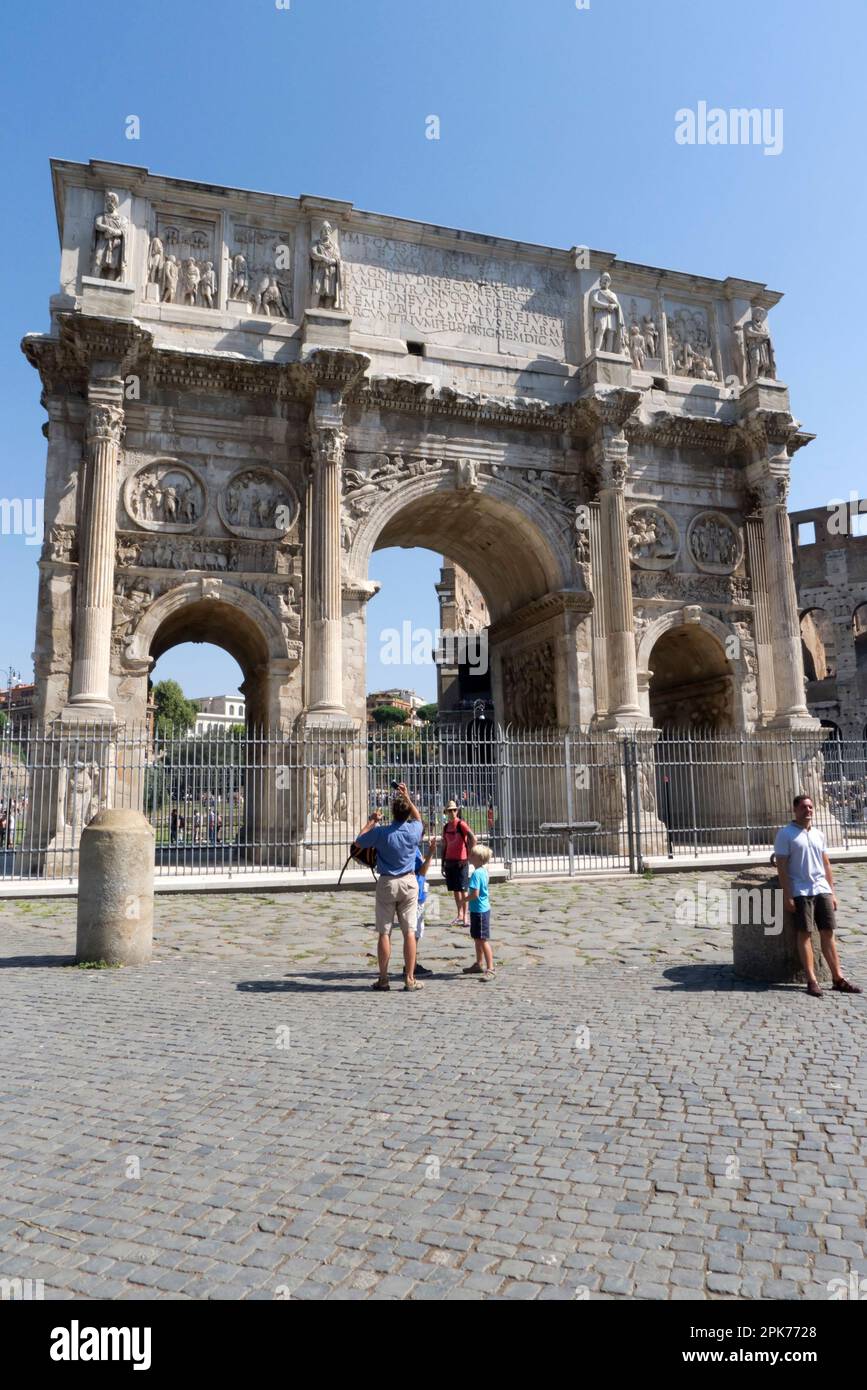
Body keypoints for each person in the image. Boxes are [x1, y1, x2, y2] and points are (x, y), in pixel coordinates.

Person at [773, 794, 861, 999]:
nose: (808, 810)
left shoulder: (819, 834)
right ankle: (811, 980)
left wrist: (832, 892)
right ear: (795, 810)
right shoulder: (785, 834)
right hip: (801, 890)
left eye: (811, 807)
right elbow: (782, 867)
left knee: (828, 932)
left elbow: (826, 864)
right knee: (804, 933)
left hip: (821, 889)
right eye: (804, 807)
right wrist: (788, 895)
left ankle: (838, 978)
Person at [356, 782, 425, 992]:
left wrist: (371, 822)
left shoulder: (382, 832)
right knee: (409, 932)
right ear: (407, 814)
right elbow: (419, 818)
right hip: (409, 882)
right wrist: (408, 798)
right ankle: (410, 978)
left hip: (387, 883)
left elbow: (358, 842)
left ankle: (384, 978)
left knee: (384, 933)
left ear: (391, 812)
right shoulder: (414, 830)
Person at [406, 833, 437, 979]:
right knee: (415, 931)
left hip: (416, 891)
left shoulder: (411, 848)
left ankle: (411, 963)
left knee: (414, 931)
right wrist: (431, 853)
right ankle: (411, 965)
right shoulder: (412, 849)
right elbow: (422, 871)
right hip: (416, 893)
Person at [440, 800, 476, 927]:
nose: (452, 812)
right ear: (446, 812)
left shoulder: (461, 824)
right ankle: (459, 914)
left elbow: (473, 838)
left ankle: (465, 916)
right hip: (450, 861)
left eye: (454, 810)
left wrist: (469, 856)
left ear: (457, 811)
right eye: (449, 810)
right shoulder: (446, 827)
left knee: (463, 889)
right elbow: (444, 845)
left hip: (461, 861)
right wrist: (442, 862)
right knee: (455, 890)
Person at [463, 844, 494, 980]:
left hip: (479, 910)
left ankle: (491, 968)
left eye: (472, 855)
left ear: (478, 858)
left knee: (482, 940)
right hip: (481, 909)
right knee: (477, 938)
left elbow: (475, 894)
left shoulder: (476, 874)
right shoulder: (483, 871)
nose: (469, 857)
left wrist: (463, 900)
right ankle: (479, 963)